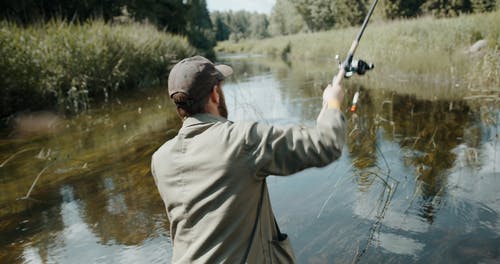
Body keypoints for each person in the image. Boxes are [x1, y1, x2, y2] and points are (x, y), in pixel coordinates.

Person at [151, 56, 346, 263]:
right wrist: (332, 102)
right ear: (215, 94)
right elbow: (326, 143)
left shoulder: (160, 160)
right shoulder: (242, 140)